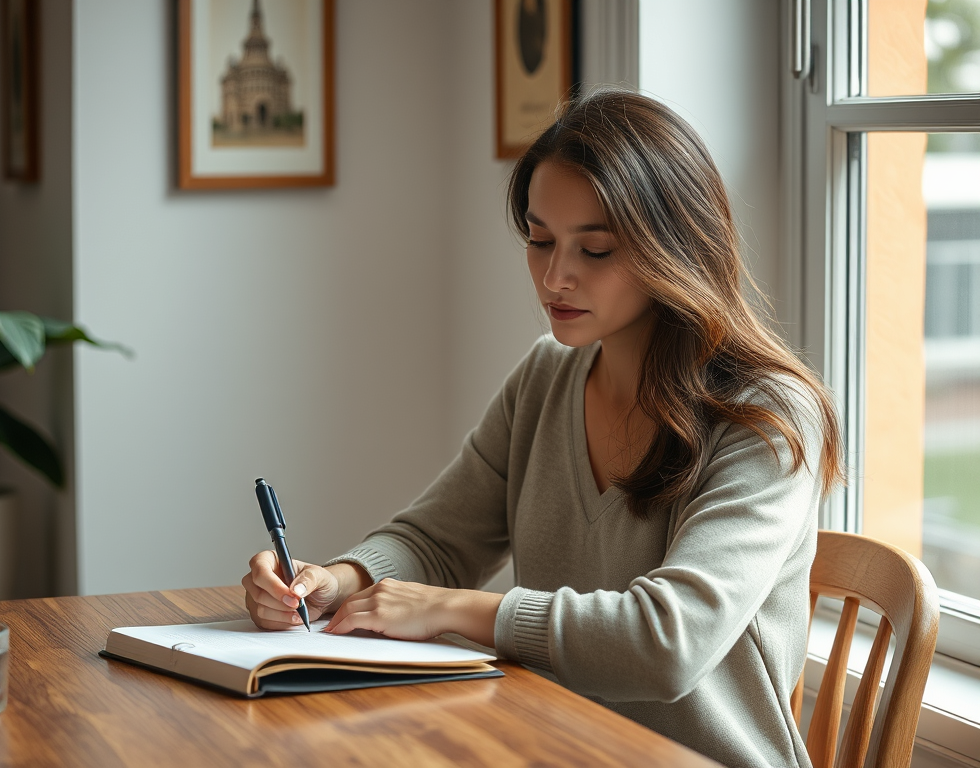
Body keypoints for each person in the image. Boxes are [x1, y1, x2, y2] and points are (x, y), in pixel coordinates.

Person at [241, 88, 843, 768]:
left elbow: (668, 645)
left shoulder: (766, 417)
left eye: (595, 249)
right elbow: (436, 539)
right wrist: (342, 581)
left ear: (675, 248)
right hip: (555, 747)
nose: (556, 276)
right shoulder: (548, 376)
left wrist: (450, 610)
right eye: (539, 240)